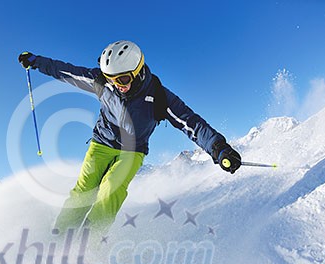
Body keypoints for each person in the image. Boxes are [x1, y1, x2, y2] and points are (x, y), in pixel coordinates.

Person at [18, 40, 241, 234]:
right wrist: (36, 61)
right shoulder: (103, 83)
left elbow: (190, 122)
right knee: (83, 190)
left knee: (109, 191)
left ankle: (89, 243)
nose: (117, 85)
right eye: (111, 79)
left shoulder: (159, 95)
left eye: (123, 79)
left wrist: (218, 147)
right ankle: (60, 236)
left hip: (132, 151)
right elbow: (65, 71)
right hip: (101, 144)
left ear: (137, 71)